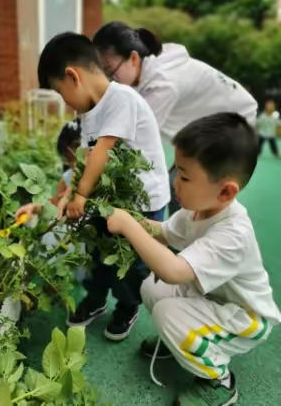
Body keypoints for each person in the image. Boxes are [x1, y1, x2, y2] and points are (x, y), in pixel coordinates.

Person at [106, 113, 281, 405]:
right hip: (213, 298)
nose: (175, 182)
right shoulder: (196, 211)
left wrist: (127, 225)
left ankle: (219, 381)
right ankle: (185, 344)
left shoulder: (232, 233)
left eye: (185, 176)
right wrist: (124, 216)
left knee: (166, 312)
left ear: (225, 191)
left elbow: (173, 269)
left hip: (246, 317)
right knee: (151, 287)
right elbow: (163, 232)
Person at [15, 32, 170, 341]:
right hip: (108, 199)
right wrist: (58, 200)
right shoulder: (88, 115)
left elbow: (102, 152)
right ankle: (96, 299)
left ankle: (128, 305)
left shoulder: (121, 98)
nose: (64, 101)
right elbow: (83, 162)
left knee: (129, 263)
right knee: (97, 252)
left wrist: (81, 194)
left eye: (61, 92)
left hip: (142, 202)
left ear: (73, 76)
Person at [93, 21, 258, 214]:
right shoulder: (149, 69)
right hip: (210, 121)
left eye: (109, 69)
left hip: (232, 123)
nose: (108, 77)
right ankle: (182, 237)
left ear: (134, 58)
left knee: (186, 190)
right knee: (180, 186)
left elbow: (133, 137)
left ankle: (200, 238)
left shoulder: (163, 84)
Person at [51, 118, 81, 206]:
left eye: (69, 158)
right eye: (67, 159)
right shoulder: (67, 178)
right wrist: (37, 209)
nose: (68, 163)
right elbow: (52, 206)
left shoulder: (105, 178)